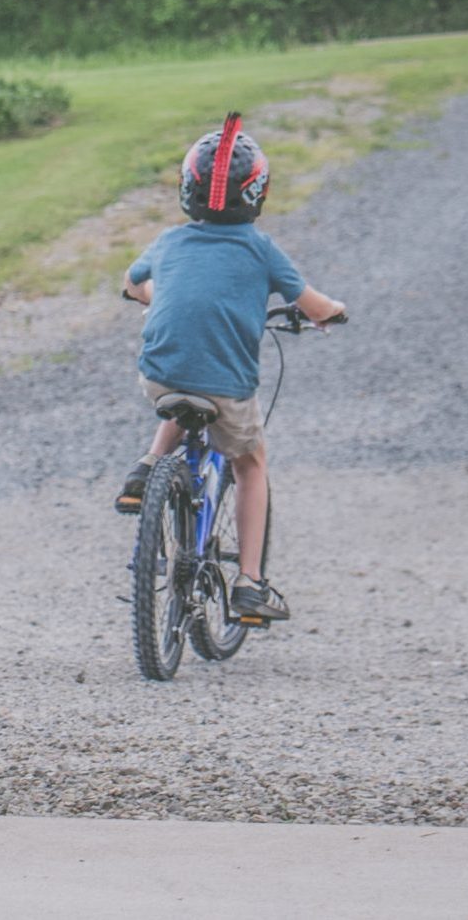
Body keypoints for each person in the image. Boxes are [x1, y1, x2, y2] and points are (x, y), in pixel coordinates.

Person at [116, 112, 345, 624]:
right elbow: (312, 306)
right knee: (250, 462)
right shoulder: (261, 250)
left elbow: (133, 285)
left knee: (182, 380)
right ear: (257, 192)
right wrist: (334, 312)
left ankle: (148, 467)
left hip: (158, 376)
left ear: (187, 188)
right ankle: (250, 583)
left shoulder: (169, 241)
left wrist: (157, 300)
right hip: (226, 390)